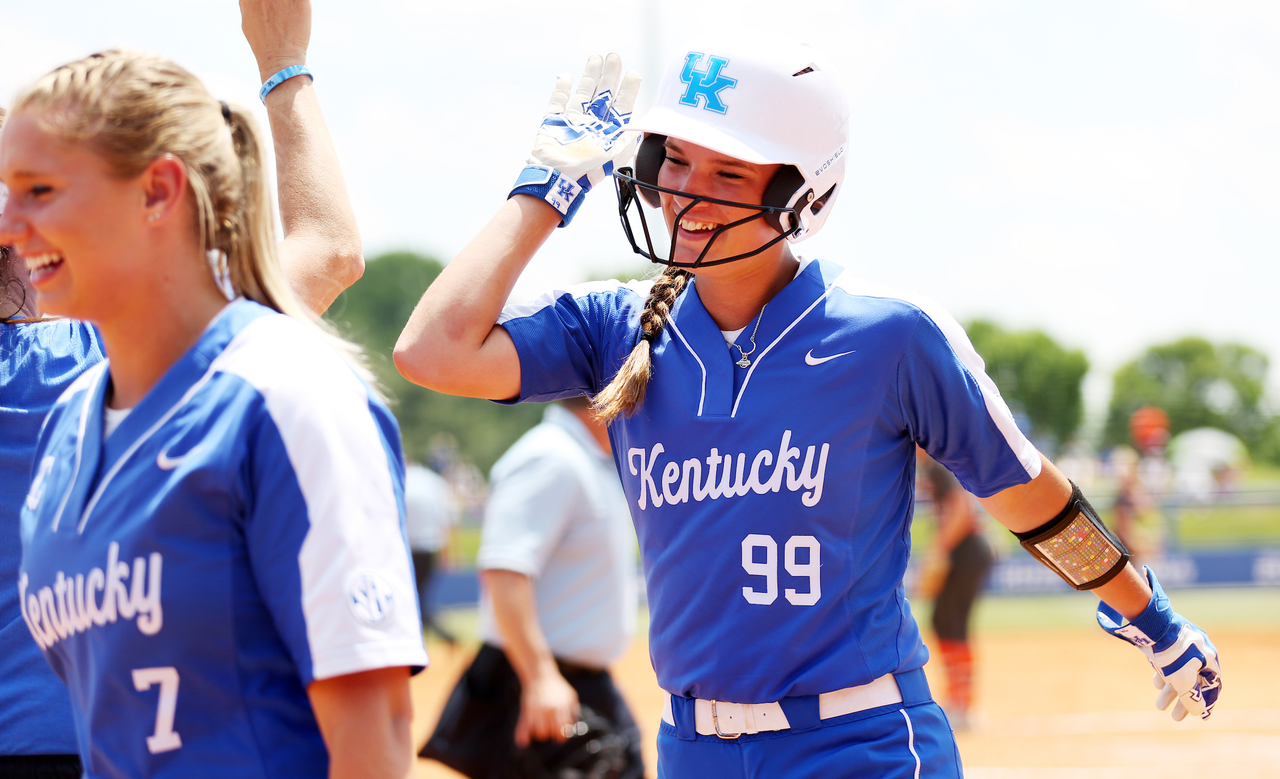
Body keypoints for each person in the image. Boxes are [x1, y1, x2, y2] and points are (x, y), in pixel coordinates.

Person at [393, 38, 1222, 777]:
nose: (687, 194)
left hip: (857, 744)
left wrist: (1149, 615)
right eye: (674, 161)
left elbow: (1026, 495)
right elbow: (429, 351)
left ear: (802, 196)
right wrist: (546, 186)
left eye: (727, 172)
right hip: (692, 748)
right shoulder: (615, 328)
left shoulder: (889, 336)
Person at [0, 0, 427, 779]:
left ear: (157, 193)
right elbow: (329, 249)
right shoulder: (94, 381)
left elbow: (371, 732)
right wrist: (284, 66)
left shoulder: (155, 369)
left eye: (35, 191)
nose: (15, 224)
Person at [421, 395, 643, 779]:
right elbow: (505, 572)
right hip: (538, 682)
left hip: (574, 682)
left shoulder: (585, 458)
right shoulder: (550, 457)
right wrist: (539, 678)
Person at [915, 452, 994, 730]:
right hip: (968, 550)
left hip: (968, 550)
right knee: (944, 621)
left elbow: (961, 508)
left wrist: (936, 551)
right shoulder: (935, 466)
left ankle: (962, 704)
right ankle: (958, 700)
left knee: (953, 623)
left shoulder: (937, 464)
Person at [403, 460, 459, 643]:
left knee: (412, 597)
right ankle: (438, 635)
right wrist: (449, 552)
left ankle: (429, 635)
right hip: (430, 546)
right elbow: (449, 518)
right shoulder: (433, 481)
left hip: (407, 547)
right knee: (419, 596)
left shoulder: (403, 476)